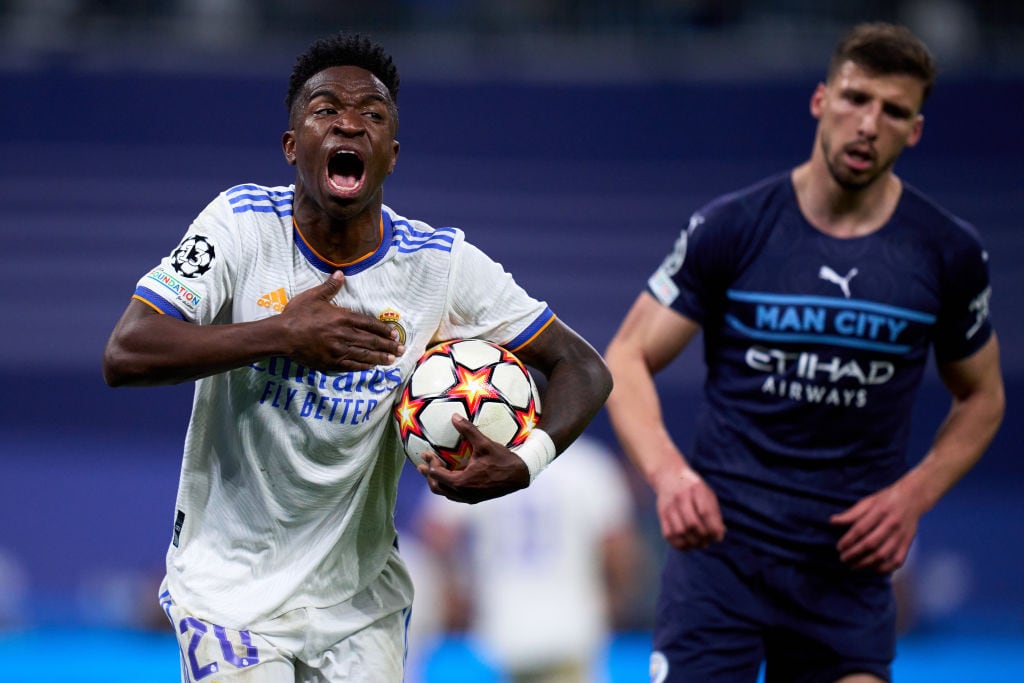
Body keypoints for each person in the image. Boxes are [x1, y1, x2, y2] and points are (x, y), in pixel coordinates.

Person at [102, 32, 611, 683]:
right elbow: (127, 351)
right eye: (325, 110)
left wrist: (526, 459)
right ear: (292, 147)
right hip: (228, 597)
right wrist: (281, 335)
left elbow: (584, 367)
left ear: (391, 156)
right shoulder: (239, 226)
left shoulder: (439, 265)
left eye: (372, 114)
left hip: (361, 606)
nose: (349, 122)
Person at [603, 22, 1004, 683]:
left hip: (845, 567)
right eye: (855, 98)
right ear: (821, 100)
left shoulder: (946, 253)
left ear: (916, 130)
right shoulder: (733, 226)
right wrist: (668, 473)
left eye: (894, 110)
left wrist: (913, 496)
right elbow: (626, 356)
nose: (869, 123)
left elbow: (984, 395)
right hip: (721, 557)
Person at [413, 434, 641, 683]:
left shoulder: (481, 462)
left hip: (502, 630)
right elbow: (618, 547)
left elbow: (436, 534)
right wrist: (615, 599)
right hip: (571, 627)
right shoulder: (588, 462)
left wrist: (455, 592)